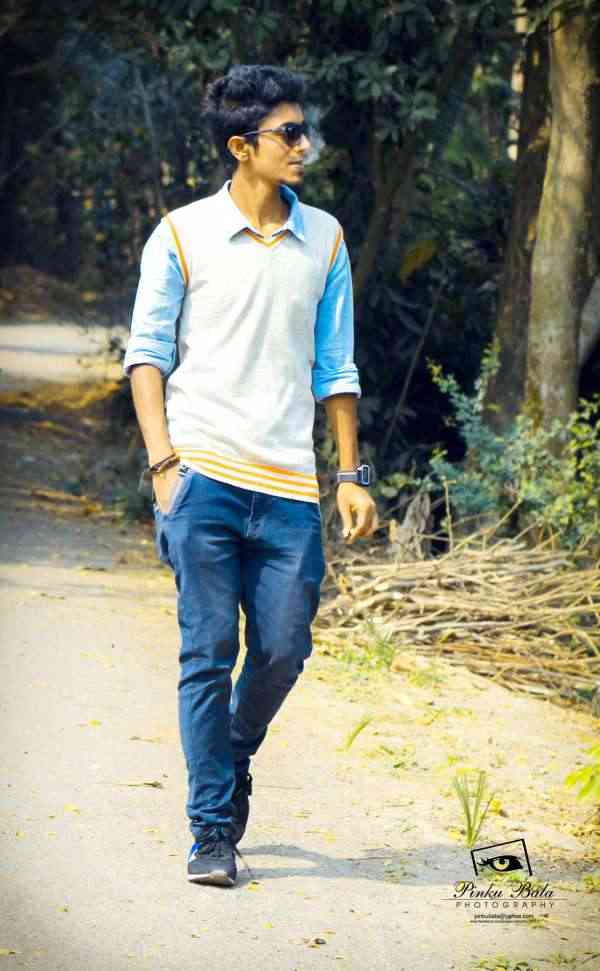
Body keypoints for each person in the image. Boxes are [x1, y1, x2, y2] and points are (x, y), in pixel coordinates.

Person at [123, 64, 378, 888]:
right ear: (242, 147)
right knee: (207, 652)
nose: (305, 146)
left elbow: (336, 365)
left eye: (305, 131)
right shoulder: (181, 234)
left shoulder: (325, 239)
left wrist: (350, 473)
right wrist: (164, 465)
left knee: (283, 648)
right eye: (289, 134)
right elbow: (147, 355)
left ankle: (232, 751)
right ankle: (211, 828)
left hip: (290, 487)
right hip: (200, 475)